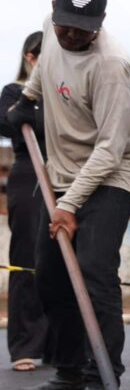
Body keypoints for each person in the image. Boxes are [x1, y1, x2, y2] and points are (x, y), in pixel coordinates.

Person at [10, 0, 130, 390]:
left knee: (93, 270)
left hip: (114, 174)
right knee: (49, 276)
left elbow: (111, 149)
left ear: (100, 22)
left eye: (81, 29)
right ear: (54, 9)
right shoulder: (54, 30)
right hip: (64, 170)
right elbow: (45, 73)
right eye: (64, 24)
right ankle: (69, 374)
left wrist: (69, 204)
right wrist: (27, 99)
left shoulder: (111, 65)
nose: (70, 35)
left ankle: (103, 380)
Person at [1, 32, 50, 372]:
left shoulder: (63, 93)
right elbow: (9, 123)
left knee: (62, 262)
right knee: (27, 260)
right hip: (28, 175)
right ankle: (25, 346)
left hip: (63, 176)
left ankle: (62, 345)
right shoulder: (14, 92)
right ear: (31, 57)